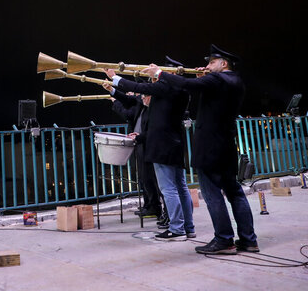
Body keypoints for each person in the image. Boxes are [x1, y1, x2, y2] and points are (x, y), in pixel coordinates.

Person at [142, 44, 258, 255]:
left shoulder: (216, 79)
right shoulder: (236, 82)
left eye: (211, 62)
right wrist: (201, 79)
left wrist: (159, 73)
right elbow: (207, 92)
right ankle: (249, 240)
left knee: (213, 193)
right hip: (227, 146)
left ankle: (224, 240)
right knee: (235, 193)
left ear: (223, 64)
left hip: (209, 147)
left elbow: (185, 83)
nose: (207, 65)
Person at [105, 59, 195, 242]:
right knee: (181, 187)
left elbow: (139, 88)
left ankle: (177, 229)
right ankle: (188, 227)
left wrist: (116, 78)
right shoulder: (181, 91)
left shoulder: (167, 88)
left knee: (168, 188)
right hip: (175, 144)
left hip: (162, 146)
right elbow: (136, 99)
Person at [103, 83, 164, 219]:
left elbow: (128, 114)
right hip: (140, 142)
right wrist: (115, 93)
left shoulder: (149, 107)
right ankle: (150, 205)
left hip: (146, 144)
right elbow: (129, 105)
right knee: (144, 177)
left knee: (150, 178)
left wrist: (116, 102)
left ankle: (156, 207)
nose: (141, 97)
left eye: (144, 95)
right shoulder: (141, 103)